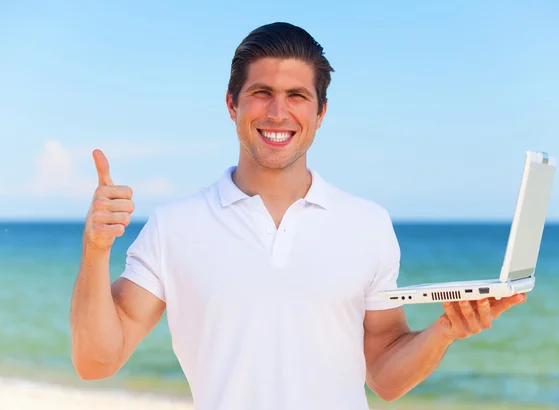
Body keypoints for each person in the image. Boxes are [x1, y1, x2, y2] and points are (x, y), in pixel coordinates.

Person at [69, 21, 526, 410]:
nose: (278, 112)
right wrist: (95, 249)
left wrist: (445, 330)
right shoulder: (175, 226)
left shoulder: (367, 224)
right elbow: (96, 361)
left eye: (297, 96)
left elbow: (384, 374)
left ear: (320, 113)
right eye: (261, 92)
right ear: (232, 105)